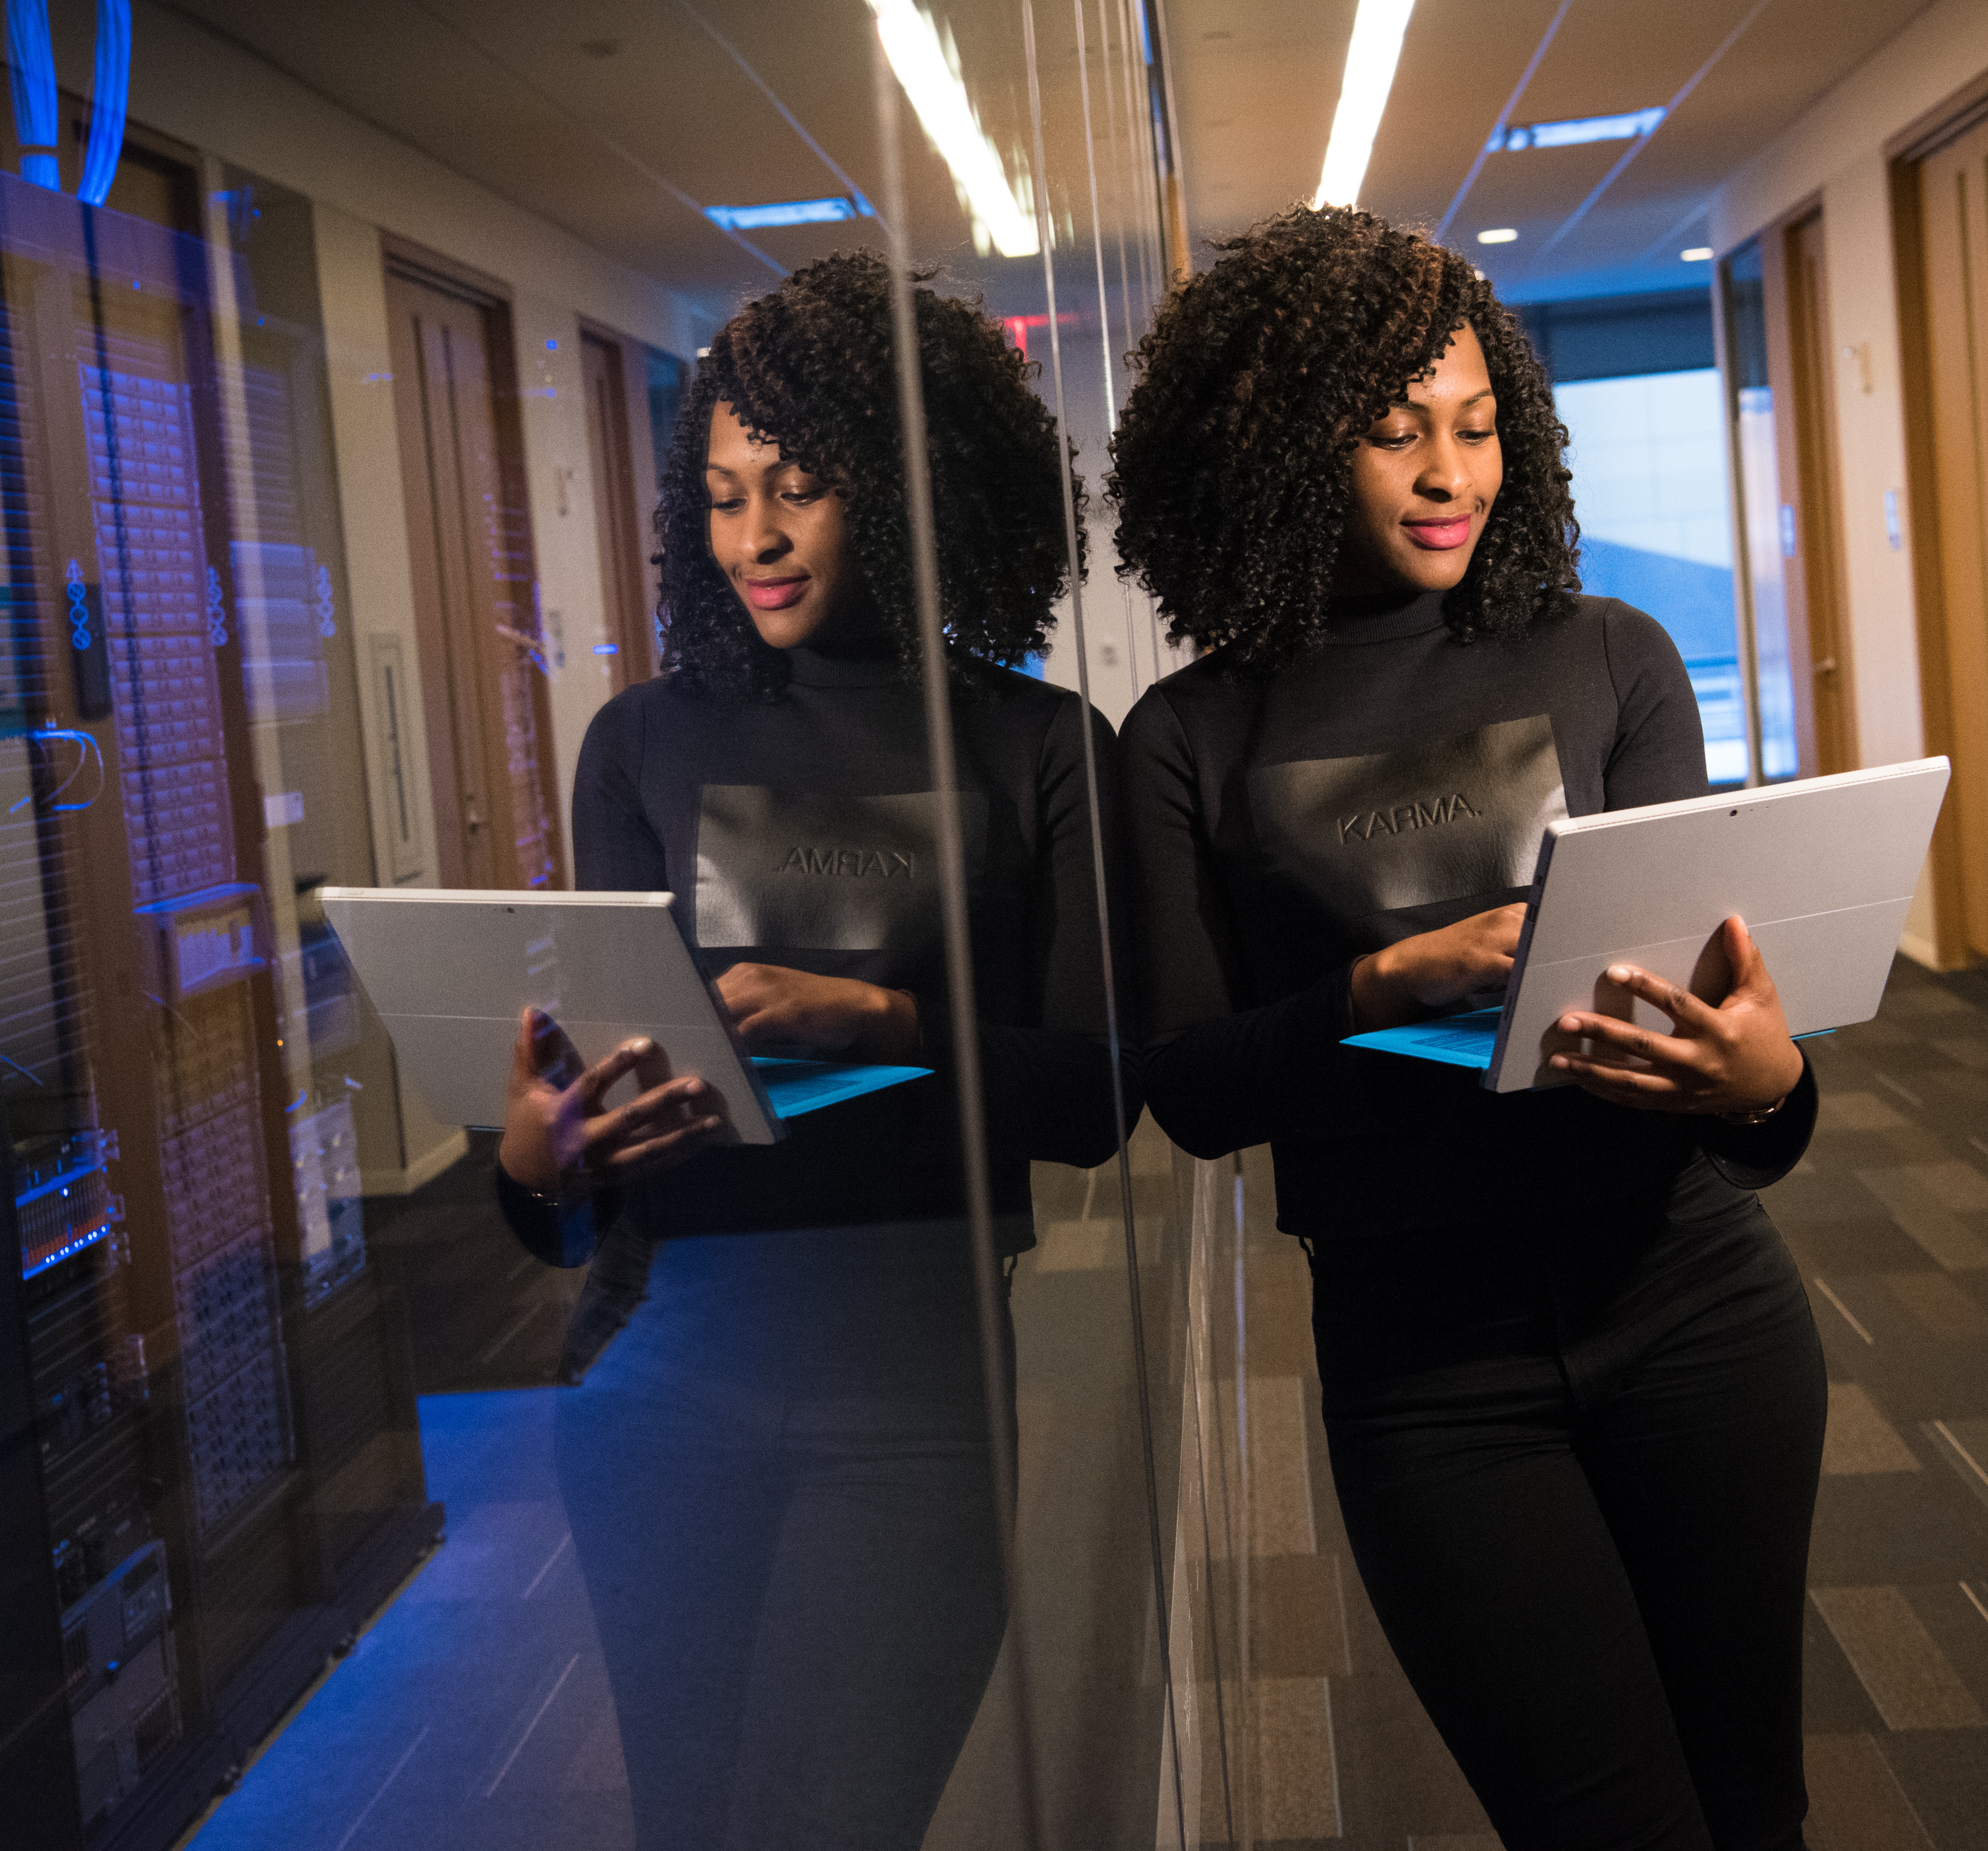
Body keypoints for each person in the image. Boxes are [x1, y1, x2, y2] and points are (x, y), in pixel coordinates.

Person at [1109, 206, 1825, 1851]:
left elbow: (1725, 1042)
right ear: (1287, 451)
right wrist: (1379, 989)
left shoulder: (1613, 659)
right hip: (1430, 1374)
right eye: (1393, 431)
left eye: (1479, 425)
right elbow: (1195, 1092)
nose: (1450, 471)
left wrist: (1770, 1084)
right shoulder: (1191, 735)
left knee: (1755, 1810)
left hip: (1698, 1307)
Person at [490, 250, 1131, 1851]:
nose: (756, 537)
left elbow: (1100, 1095)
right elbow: (594, 1143)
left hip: (911, 1382)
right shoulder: (644, 742)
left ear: (913, 490)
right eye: (721, 496)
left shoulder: (1039, 750)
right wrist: (534, 1167)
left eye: (797, 488)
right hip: (656, 1370)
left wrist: (889, 1021)